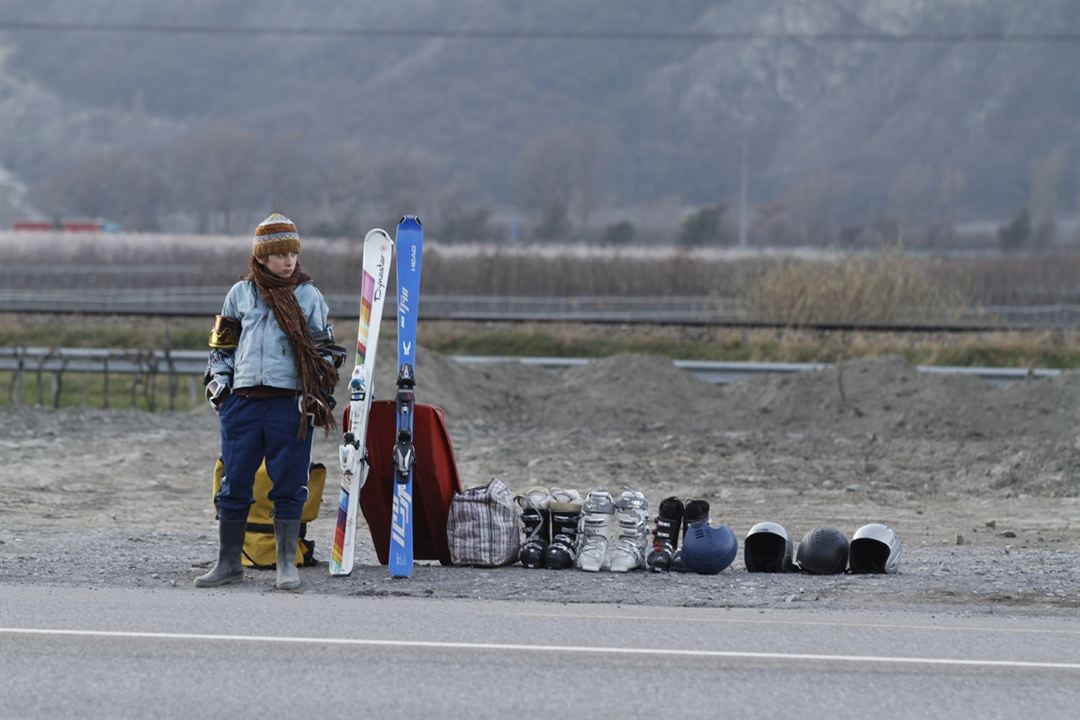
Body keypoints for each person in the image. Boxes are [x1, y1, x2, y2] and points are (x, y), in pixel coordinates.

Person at [195, 213, 343, 590]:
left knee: (290, 483)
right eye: (279, 254)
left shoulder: (309, 296)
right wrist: (221, 392)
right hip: (241, 404)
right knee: (234, 482)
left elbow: (326, 351)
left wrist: (316, 397)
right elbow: (221, 349)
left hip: (289, 404)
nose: (288, 261)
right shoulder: (239, 294)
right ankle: (228, 563)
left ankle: (285, 563)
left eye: (292, 253)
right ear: (261, 257)